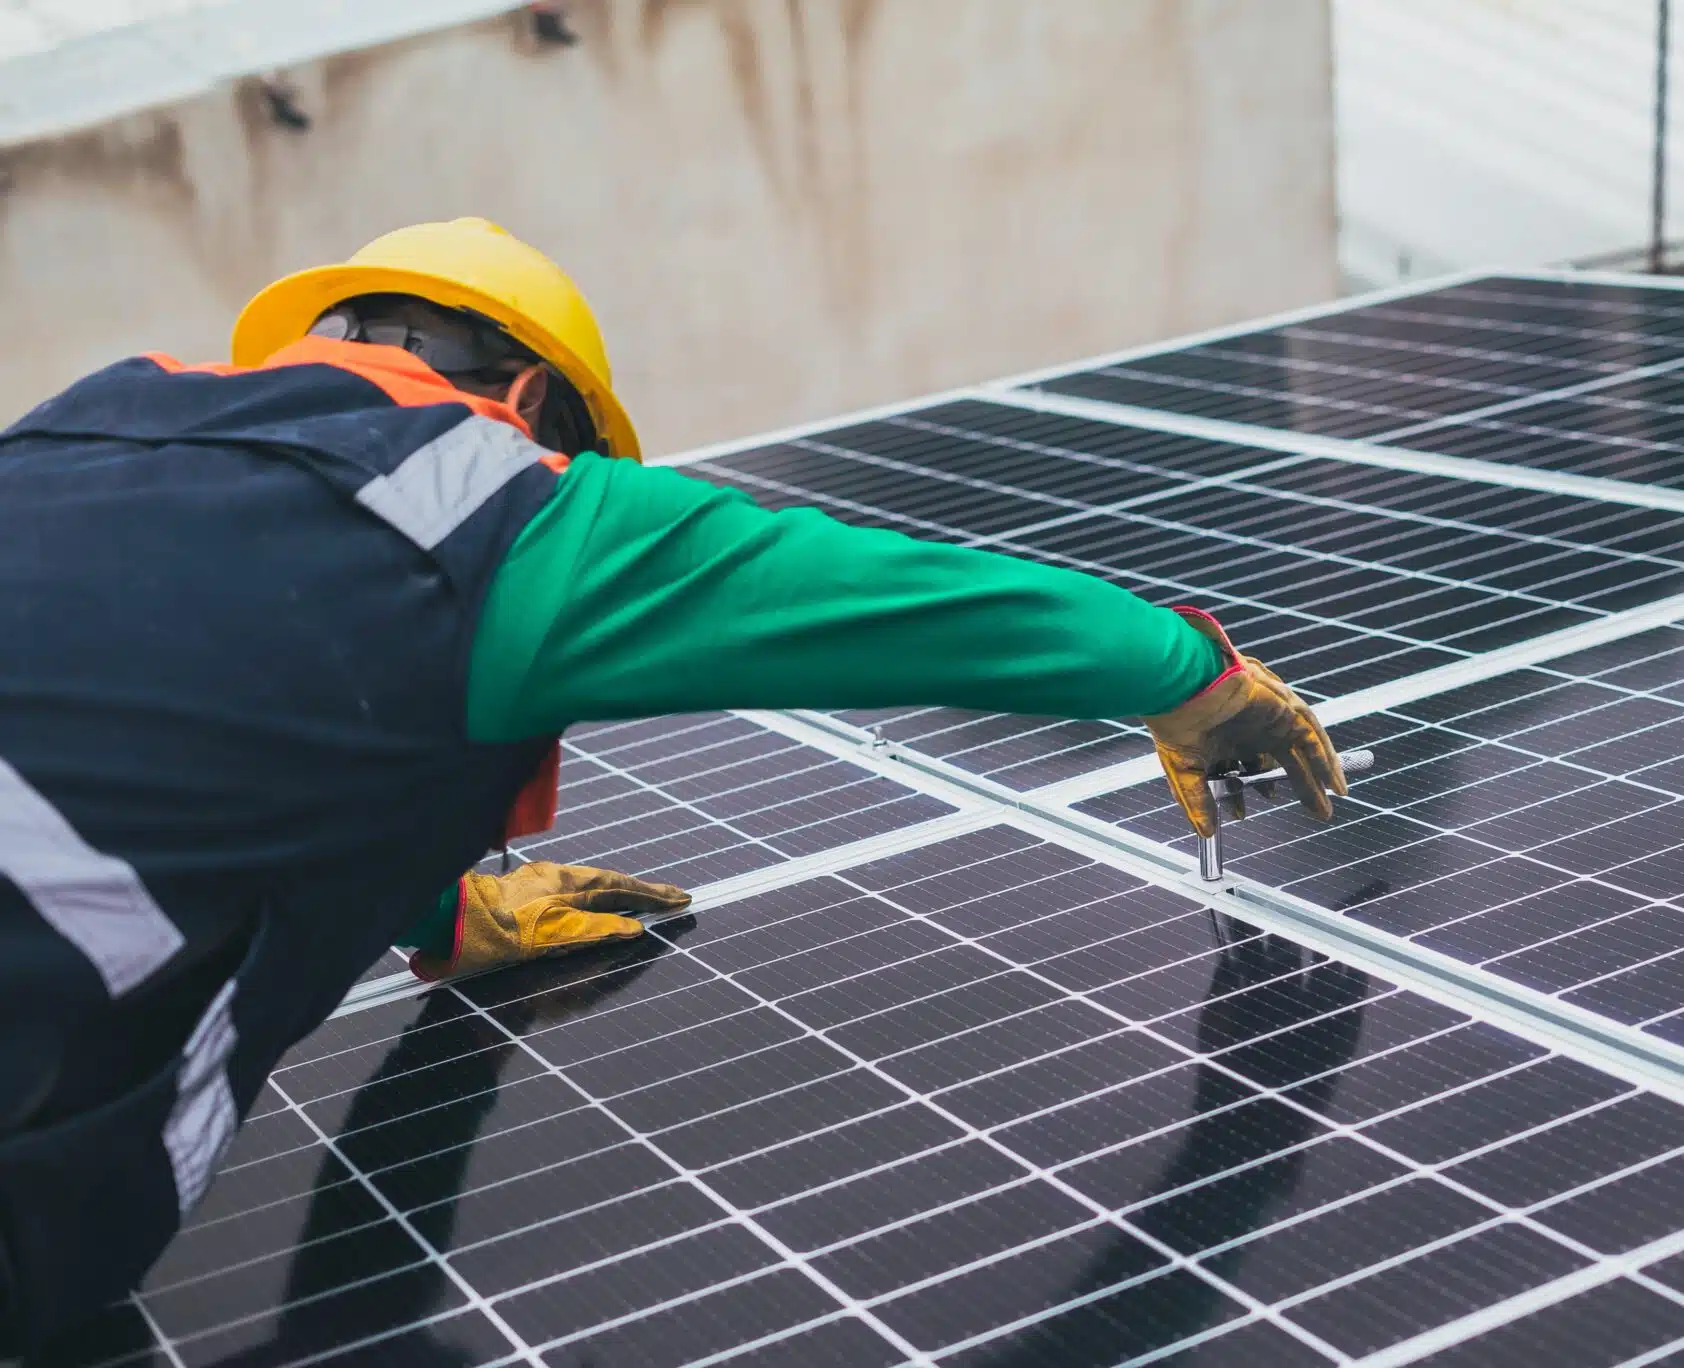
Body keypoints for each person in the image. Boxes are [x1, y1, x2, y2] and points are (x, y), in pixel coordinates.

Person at [0, 218, 1343, 1351]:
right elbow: (900, 599)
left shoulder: (70, 432)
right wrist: (1191, 675)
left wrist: (445, 914)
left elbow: (207, 710)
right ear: (536, 405)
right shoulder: (503, 503)